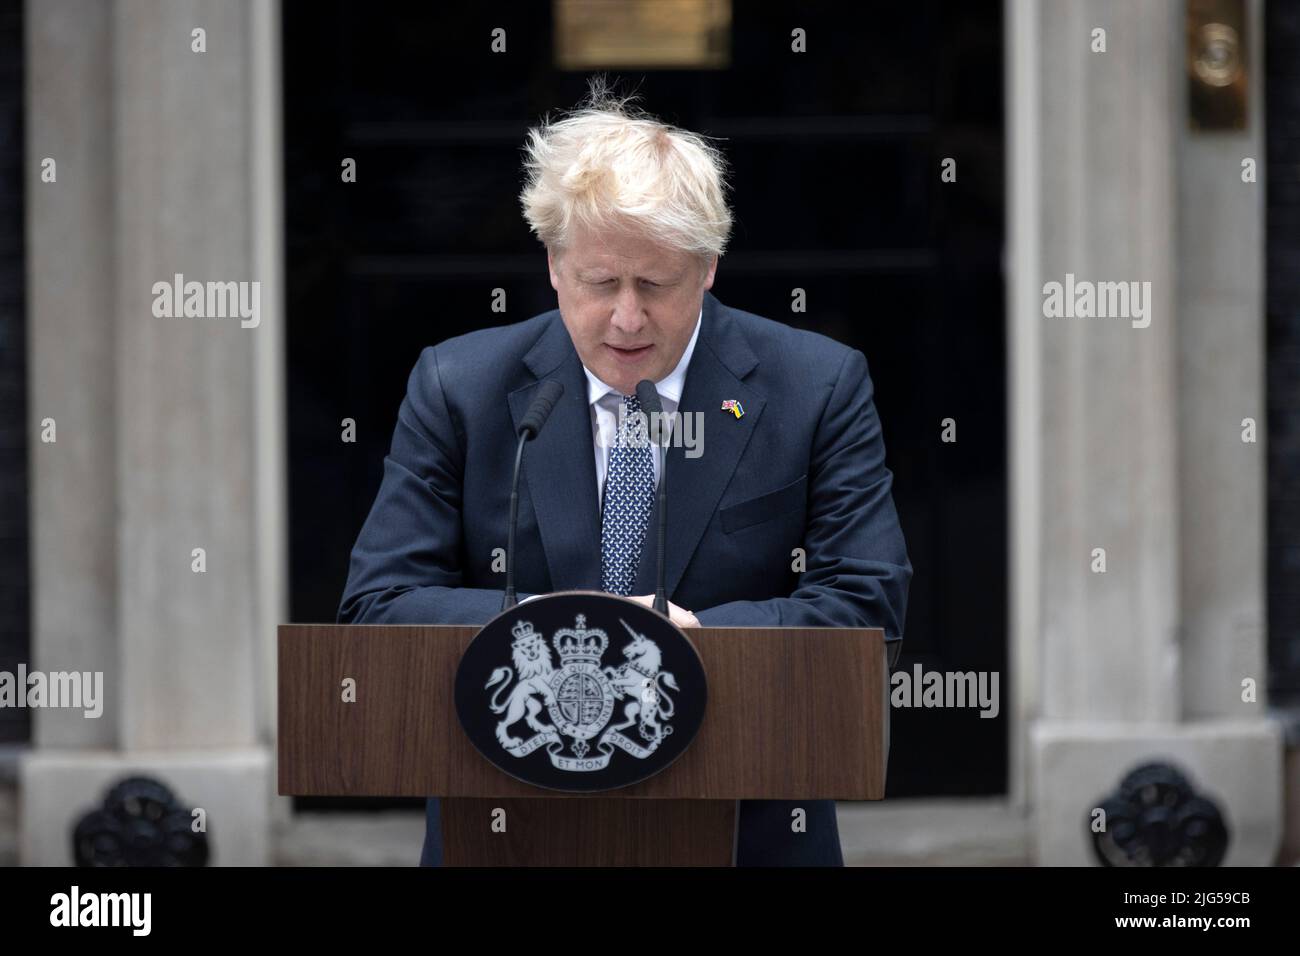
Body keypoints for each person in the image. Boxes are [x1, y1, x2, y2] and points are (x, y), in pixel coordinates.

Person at [338, 82, 911, 866]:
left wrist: (694, 640)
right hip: (508, 831)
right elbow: (379, 609)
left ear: (708, 267)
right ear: (553, 264)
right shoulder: (459, 385)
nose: (628, 320)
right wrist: (561, 624)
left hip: (747, 832)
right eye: (601, 283)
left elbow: (866, 611)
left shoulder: (817, 386)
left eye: (656, 285)